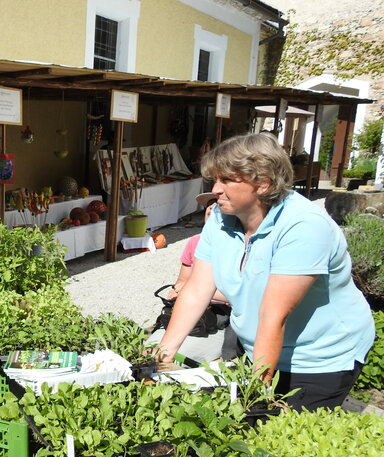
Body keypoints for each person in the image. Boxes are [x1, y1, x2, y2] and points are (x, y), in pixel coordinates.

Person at [157, 133, 374, 410]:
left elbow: (274, 315)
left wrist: (254, 396)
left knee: (283, 435)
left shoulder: (303, 226)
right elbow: (198, 289)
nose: (216, 189)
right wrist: (162, 357)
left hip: (318, 356)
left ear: (263, 184)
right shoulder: (222, 218)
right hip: (260, 347)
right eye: (215, 180)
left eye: (226, 180)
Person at [148, 194, 236, 363]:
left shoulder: (239, 245)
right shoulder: (195, 242)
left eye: (217, 204)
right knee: (148, 350)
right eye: (209, 205)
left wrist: (199, 291)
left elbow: (242, 295)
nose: (211, 208)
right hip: (192, 313)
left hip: (220, 320)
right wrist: (177, 292)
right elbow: (181, 282)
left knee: (180, 357)